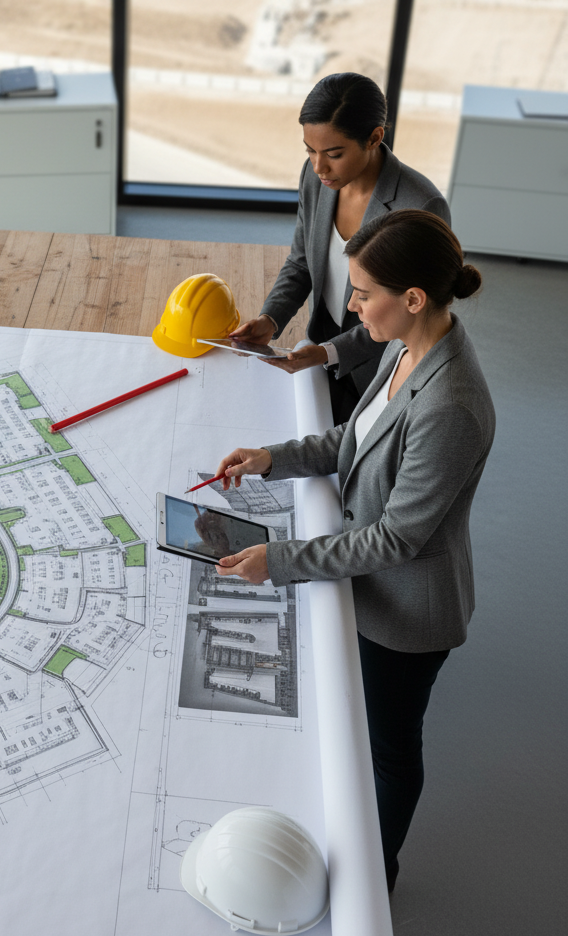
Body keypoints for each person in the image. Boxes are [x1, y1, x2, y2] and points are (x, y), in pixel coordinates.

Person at [212, 209, 495, 893]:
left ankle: (376, 874)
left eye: (364, 292)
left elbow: (398, 537)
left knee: (389, 752)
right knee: (358, 732)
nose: (351, 306)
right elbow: (353, 438)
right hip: (371, 584)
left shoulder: (451, 403)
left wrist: (279, 561)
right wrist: (270, 459)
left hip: (408, 613)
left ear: (414, 298)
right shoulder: (405, 344)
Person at [230, 73, 450, 424]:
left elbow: (409, 316)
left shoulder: (420, 206)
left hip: (380, 369)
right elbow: (302, 260)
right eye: (310, 151)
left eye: (333, 153)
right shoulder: (316, 179)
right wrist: (272, 318)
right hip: (320, 346)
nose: (319, 167)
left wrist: (329, 353)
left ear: (375, 137)